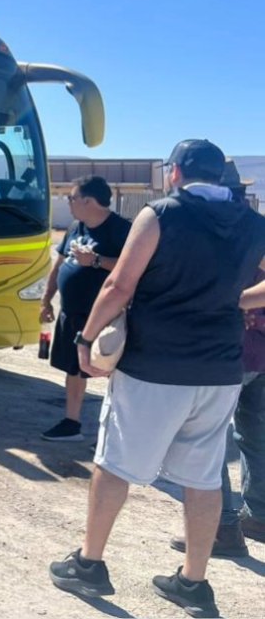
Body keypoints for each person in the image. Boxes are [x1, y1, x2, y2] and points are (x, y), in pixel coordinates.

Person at [49, 139, 265, 618]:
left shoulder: (162, 214)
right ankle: (193, 582)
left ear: (176, 172)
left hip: (155, 365)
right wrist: (237, 300)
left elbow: (119, 284)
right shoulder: (254, 223)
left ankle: (89, 563)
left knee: (115, 463)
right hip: (220, 369)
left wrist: (86, 338)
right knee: (205, 477)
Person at [169, 167, 265, 558]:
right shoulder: (254, 227)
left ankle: (223, 529)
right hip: (257, 351)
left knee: (207, 439)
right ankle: (258, 515)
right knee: (254, 436)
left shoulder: (215, 229)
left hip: (227, 350)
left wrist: (232, 302)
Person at [39, 176, 131, 441]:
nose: (68, 203)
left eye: (71, 198)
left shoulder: (122, 230)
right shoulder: (75, 228)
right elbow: (58, 266)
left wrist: (96, 261)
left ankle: (115, 435)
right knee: (74, 368)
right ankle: (71, 422)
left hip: (106, 318)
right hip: (72, 314)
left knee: (112, 372)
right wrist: (46, 300)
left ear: (89, 201)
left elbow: (134, 267)